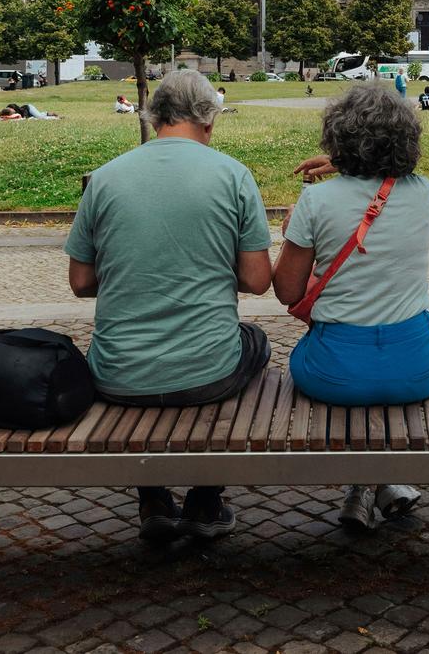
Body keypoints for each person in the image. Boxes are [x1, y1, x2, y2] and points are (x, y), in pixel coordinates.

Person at [65, 70, 273, 541]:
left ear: (154, 116)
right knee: (256, 343)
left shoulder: (104, 178)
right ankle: (205, 497)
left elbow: (81, 282)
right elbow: (258, 281)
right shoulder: (233, 175)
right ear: (209, 121)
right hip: (208, 373)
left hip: (118, 374)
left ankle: (153, 498)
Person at [277, 85, 429, 531]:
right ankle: (379, 483)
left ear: (335, 138)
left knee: (355, 381)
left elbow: (287, 292)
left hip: (333, 371)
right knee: (391, 371)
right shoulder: (424, 192)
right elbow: (384, 188)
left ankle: (365, 487)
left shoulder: (315, 202)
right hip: (417, 367)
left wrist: (291, 230)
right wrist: (355, 162)